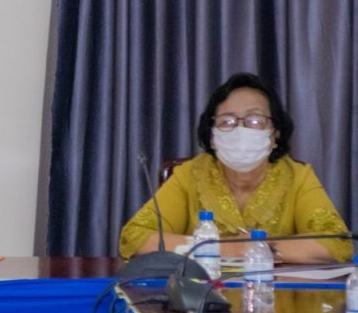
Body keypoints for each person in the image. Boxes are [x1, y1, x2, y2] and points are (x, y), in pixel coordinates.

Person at [120, 72, 352, 264]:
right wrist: (229, 249)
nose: (241, 130)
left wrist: (259, 248)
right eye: (227, 122)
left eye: (255, 121)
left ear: (275, 135)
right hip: (202, 299)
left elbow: (337, 244)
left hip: (277, 299)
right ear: (212, 137)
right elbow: (136, 238)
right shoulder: (190, 175)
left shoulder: (298, 177)